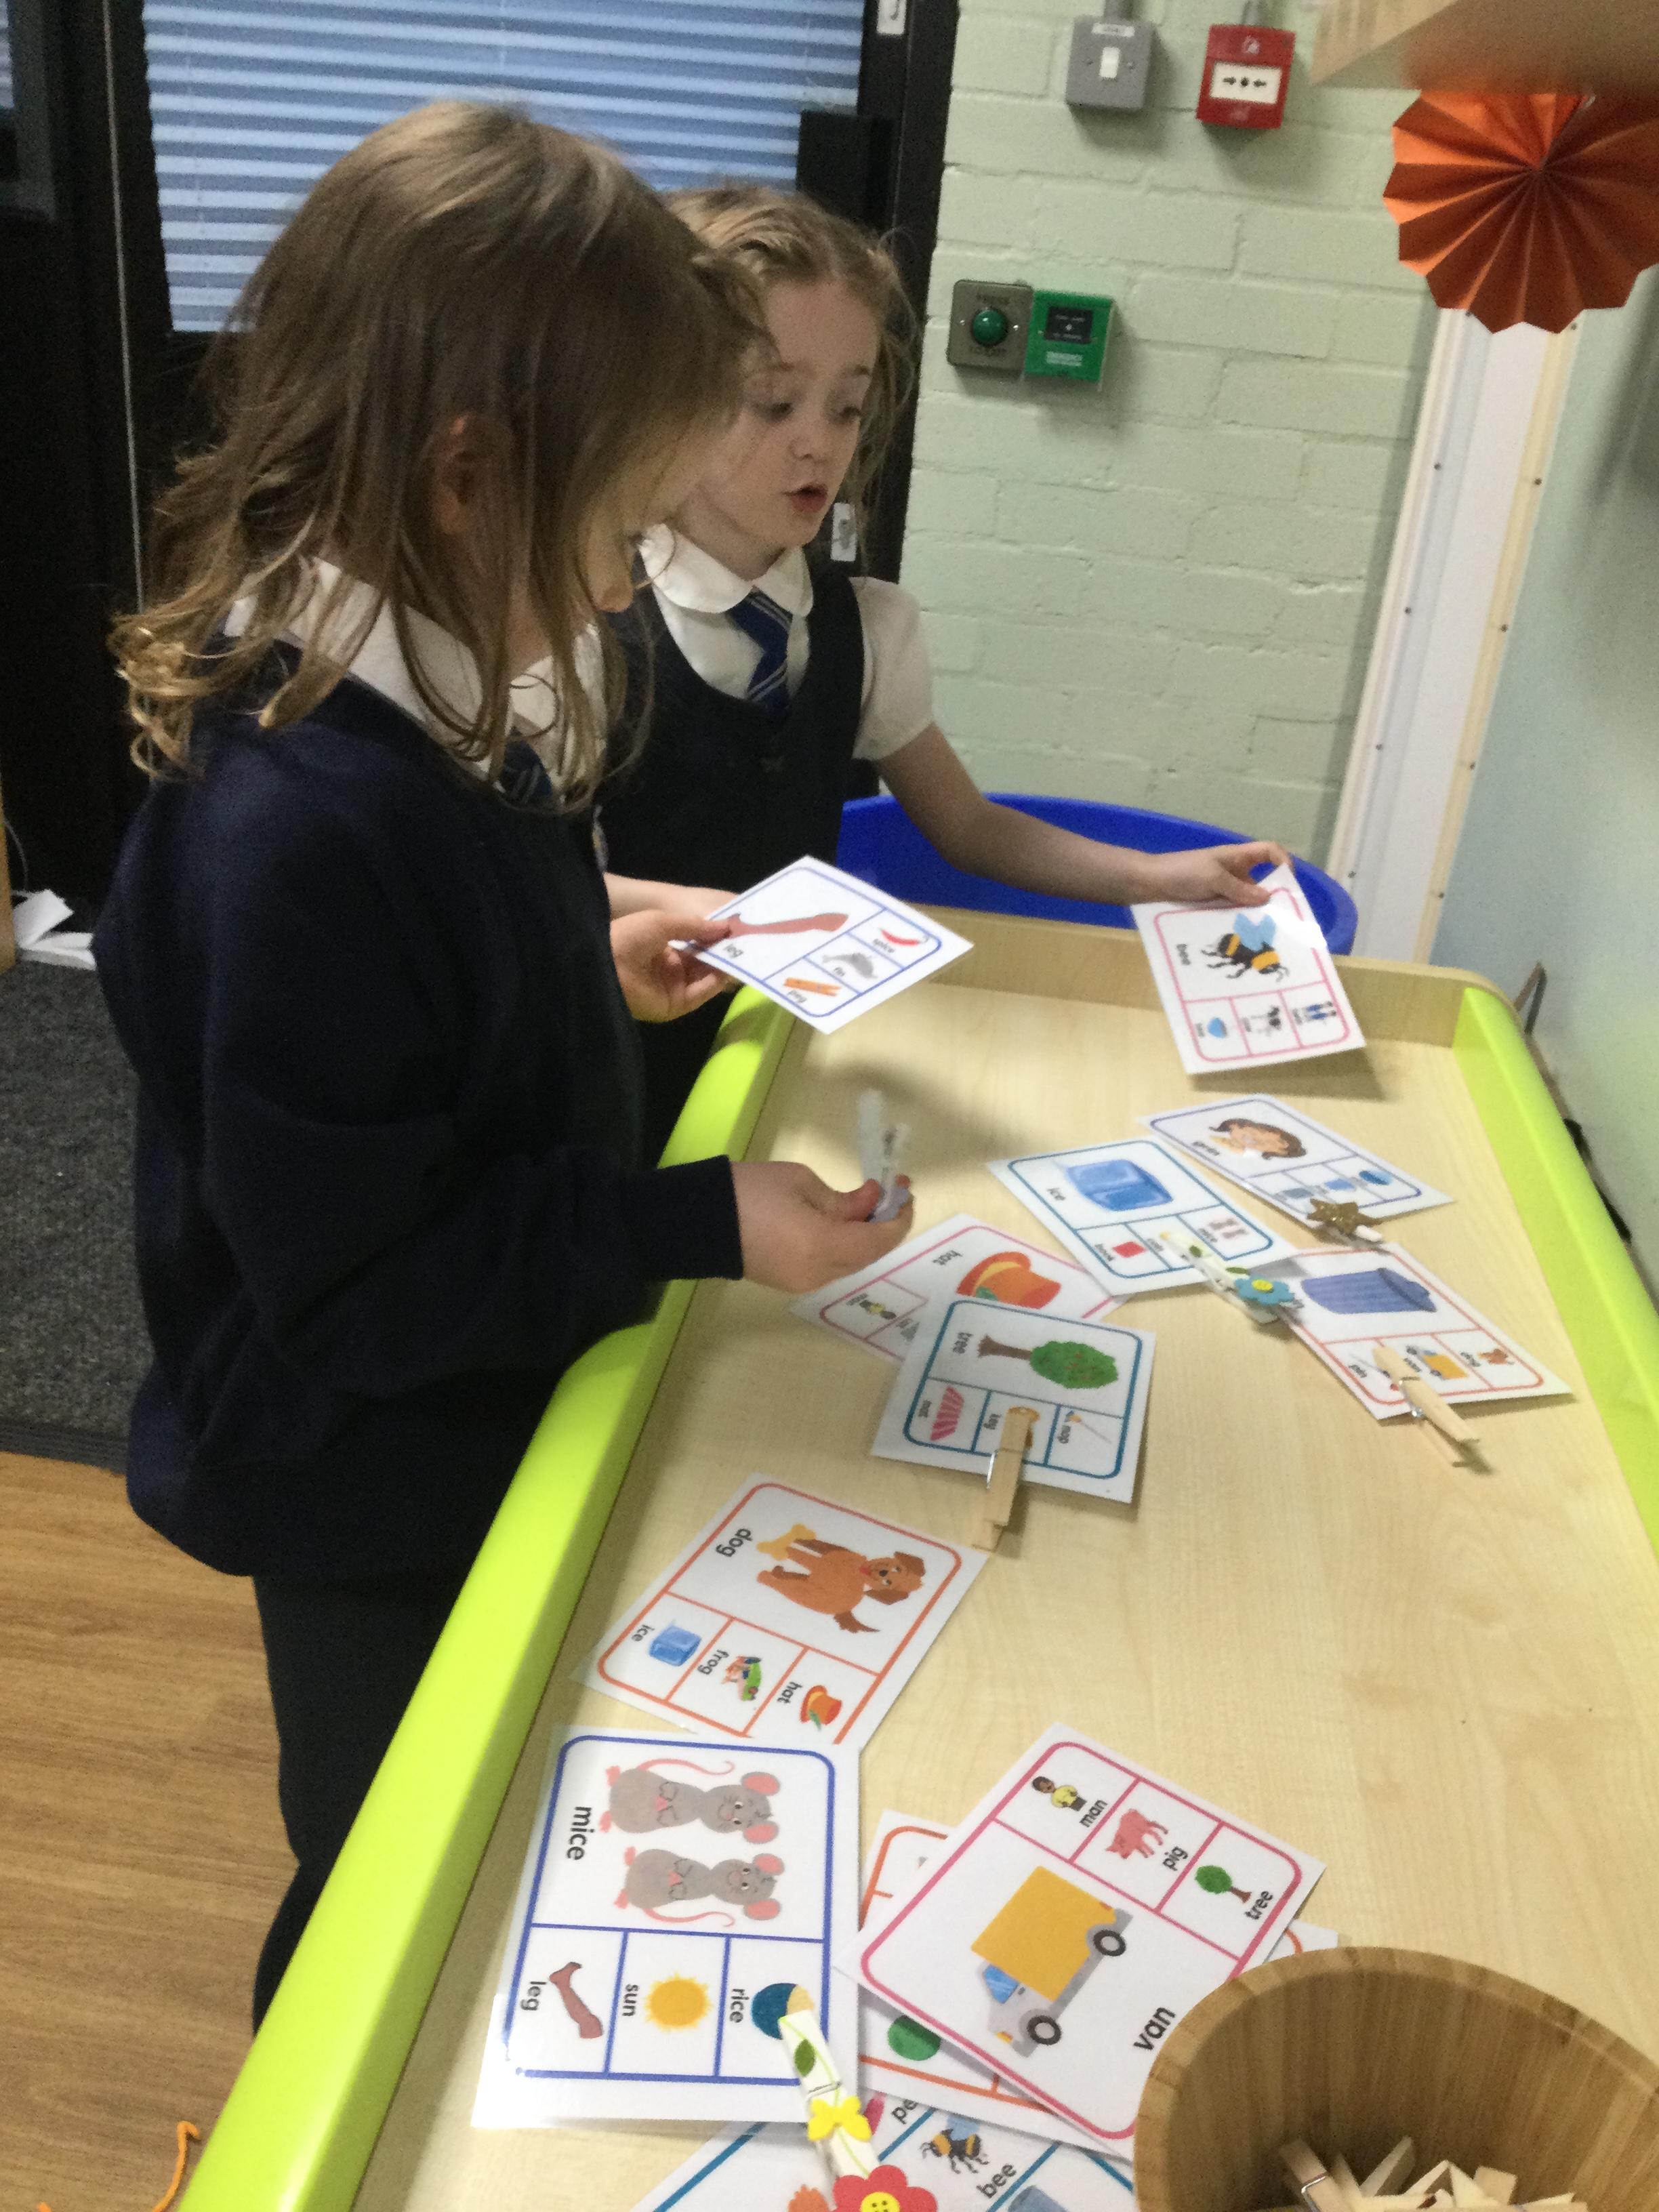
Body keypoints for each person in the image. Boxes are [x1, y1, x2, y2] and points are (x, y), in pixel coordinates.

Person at [93, 105, 912, 2029]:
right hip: (364, 1473)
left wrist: (583, 962)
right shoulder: (293, 822)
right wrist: (698, 1218)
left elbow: (438, 1009)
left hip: (489, 1397)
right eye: (615, 530)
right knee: (397, 1869)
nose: (625, 583)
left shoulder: (456, 676)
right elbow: (366, 1286)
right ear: (470, 477)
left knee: (520, 1806)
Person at [594, 185, 1291, 1154]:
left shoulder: (867, 628)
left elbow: (966, 825)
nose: (819, 442)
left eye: (847, 407)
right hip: (616, 1069)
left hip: (786, 1069)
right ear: (664, 395)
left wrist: (1153, 877)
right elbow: (540, 888)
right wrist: (685, 912)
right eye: (774, 402)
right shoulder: (585, 622)